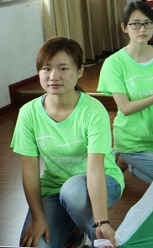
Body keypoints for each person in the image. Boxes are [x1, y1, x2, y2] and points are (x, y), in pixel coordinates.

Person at [11, 37, 124, 248]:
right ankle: (74, 232)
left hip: (100, 182)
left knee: (73, 191)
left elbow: (95, 169)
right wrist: (38, 218)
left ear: (80, 71)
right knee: (35, 245)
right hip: (54, 189)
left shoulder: (93, 110)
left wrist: (101, 221)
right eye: (46, 68)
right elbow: (30, 169)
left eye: (63, 68)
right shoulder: (28, 113)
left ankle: (99, 239)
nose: (53, 76)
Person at [97, 1, 153, 184]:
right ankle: (127, 159)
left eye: (147, 23)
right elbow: (125, 108)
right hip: (132, 141)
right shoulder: (114, 63)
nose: (142, 29)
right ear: (124, 28)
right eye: (135, 24)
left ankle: (124, 161)